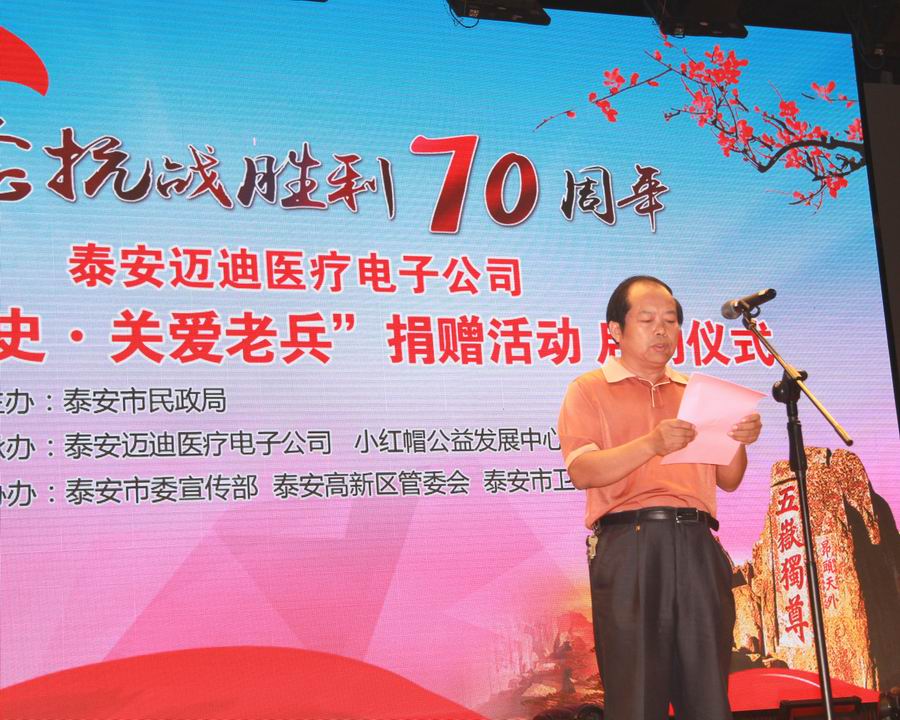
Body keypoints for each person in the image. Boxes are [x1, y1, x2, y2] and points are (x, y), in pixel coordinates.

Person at [557, 276, 762, 720]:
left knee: (707, 697)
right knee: (636, 697)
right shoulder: (588, 389)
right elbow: (582, 470)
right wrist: (651, 443)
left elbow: (729, 479)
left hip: (696, 543)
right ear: (615, 330)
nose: (662, 330)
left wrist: (739, 439)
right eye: (647, 320)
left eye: (670, 321)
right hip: (628, 546)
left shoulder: (698, 394)